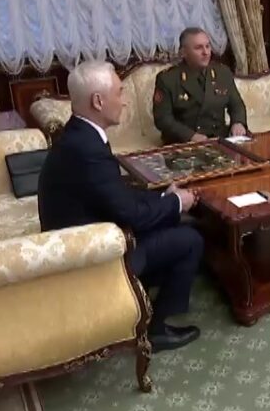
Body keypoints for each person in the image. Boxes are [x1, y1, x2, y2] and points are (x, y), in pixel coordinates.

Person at [38, 60, 203, 352]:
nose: (124, 101)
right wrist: (178, 201)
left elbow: (113, 194)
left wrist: (164, 198)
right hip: (93, 256)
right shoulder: (87, 148)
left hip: (88, 232)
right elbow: (130, 215)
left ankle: (142, 298)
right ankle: (155, 330)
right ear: (98, 101)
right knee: (190, 239)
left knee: (172, 218)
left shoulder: (80, 134)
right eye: (119, 92)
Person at [153, 27, 249, 144]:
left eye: (207, 46)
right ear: (183, 52)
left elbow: (237, 105)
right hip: (185, 142)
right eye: (198, 48)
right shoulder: (168, 79)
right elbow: (163, 119)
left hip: (218, 138)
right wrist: (190, 136)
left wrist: (238, 123)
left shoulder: (222, 73)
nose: (206, 52)